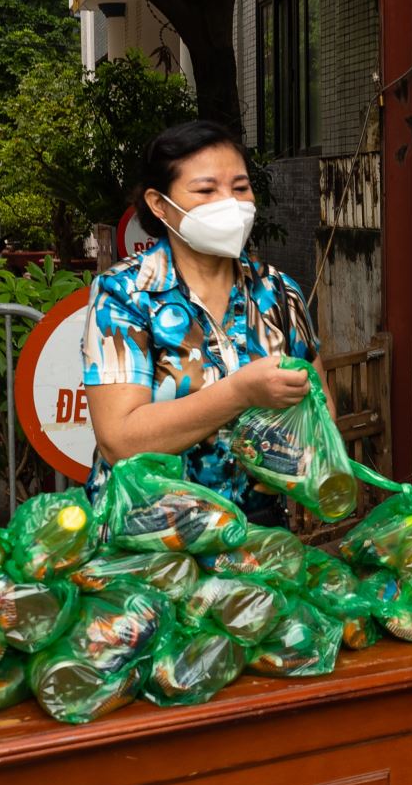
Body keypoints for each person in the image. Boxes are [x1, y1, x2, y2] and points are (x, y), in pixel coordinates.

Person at [82, 120, 332, 526]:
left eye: (240, 187)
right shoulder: (124, 294)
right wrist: (240, 392)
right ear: (159, 204)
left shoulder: (278, 292)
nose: (229, 203)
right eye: (205, 190)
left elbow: (319, 411)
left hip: (256, 533)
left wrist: (295, 464)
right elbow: (119, 440)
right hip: (150, 533)